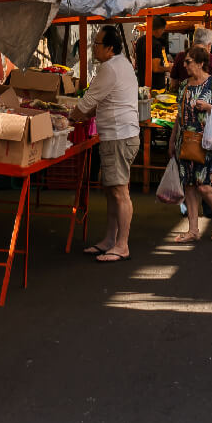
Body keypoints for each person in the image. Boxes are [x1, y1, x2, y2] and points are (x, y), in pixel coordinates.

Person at [71, 25, 141, 262]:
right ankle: (111, 240)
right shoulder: (122, 64)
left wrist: (68, 118)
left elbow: (87, 102)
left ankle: (122, 245)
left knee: (120, 192)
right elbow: (98, 102)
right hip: (120, 135)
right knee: (112, 190)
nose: (94, 47)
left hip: (119, 137)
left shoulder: (109, 68)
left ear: (110, 48)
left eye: (97, 43)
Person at [172, 45, 212, 242]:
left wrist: (208, 107)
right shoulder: (184, 85)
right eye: (185, 62)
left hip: (206, 143)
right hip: (185, 141)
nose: (185, 65)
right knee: (189, 186)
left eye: (188, 61)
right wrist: (173, 139)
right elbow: (178, 116)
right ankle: (193, 230)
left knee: (204, 186)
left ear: (200, 63)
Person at [134, 15, 172, 90]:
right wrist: (168, 68)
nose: (163, 32)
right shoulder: (156, 44)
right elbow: (155, 68)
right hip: (155, 87)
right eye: (163, 29)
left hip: (142, 84)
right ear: (158, 29)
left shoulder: (140, 40)